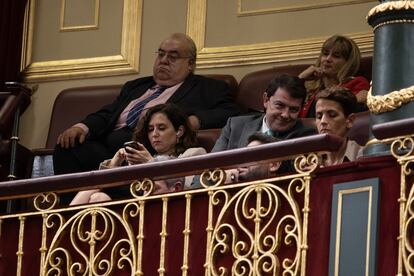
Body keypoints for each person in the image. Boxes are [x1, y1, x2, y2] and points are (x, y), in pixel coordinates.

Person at [53, 33, 239, 174]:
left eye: (173, 57)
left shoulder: (207, 88)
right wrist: (81, 127)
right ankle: (71, 214)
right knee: (68, 147)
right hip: (110, 150)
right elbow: (109, 114)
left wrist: (195, 120)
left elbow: (231, 111)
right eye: (160, 54)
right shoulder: (136, 86)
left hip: (149, 148)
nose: (163, 61)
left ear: (190, 64)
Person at [69, 103, 206, 205]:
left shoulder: (194, 153)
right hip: (132, 205)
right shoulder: (141, 155)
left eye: (162, 128)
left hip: (162, 206)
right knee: (97, 197)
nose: (155, 134)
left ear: (179, 131)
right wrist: (114, 164)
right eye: (151, 129)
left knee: (96, 194)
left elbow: (186, 189)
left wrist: (149, 163)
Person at [212, 74, 317, 152]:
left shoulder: (306, 137)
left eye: (293, 109)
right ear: (266, 100)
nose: (285, 114)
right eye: (280, 105)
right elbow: (209, 169)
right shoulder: (235, 126)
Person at [298, 34, 370, 118]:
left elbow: (353, 108)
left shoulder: (357, 83)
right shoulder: (310, 89)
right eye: (325, 54)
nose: (328, 59)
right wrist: (300, 79)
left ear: (348, 63)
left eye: (336, 56)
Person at [314, 87, 363, 166]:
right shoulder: (308, 161)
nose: (323, 121)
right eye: (319, 117)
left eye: (332, 115)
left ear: (350, 121)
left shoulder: (364, 156)